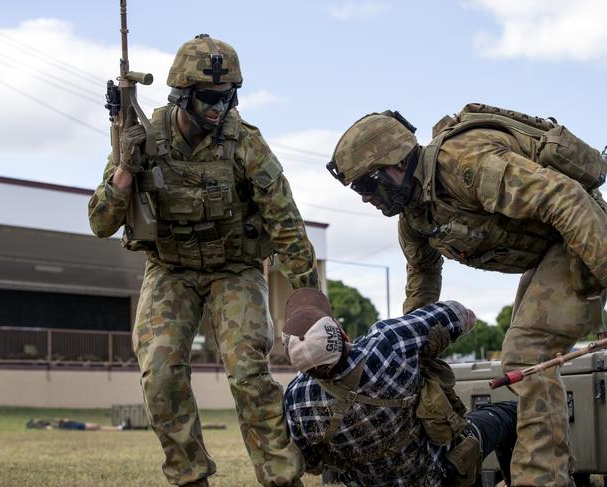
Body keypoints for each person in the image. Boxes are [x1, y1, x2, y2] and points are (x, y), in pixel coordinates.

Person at [326, 105, 607, 487]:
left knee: (526, 354)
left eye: (365, 185)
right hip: (548, 255)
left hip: (584, 234)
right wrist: (410, 354)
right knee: (526, 360)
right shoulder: (415, 219)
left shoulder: (462, 162)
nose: (364, 198)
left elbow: (566, 198)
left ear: (393, 165)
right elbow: (422, 287)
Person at [88, 34, 318, 487]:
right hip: (171, 270)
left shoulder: (246, 143)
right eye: (209, 98)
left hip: (235, 268)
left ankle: (281, 478)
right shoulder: (141, 139)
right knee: (159, 373)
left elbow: (286, 224)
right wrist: (125, 169)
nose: (220, 108)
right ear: (182, 95)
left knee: (249, 373)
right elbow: (100, 222)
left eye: (228, 97)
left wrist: (312, 306)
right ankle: (189, 477)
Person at [283, 288, 518, 487]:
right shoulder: (387, 343)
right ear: (342, 332)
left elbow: (313, 464)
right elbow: (462, 316)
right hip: (438, 475)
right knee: (512, 413)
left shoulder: (295, 399)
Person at [26, 418, 128, 431]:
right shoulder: (45, 426)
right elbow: (52, 428)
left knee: (97, 426)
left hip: (73, 423)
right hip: (74, 426)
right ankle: (119, 428)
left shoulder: (46, 421)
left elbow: (57, 421)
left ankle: (119, 427)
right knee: (97, 426)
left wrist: (64, 420)